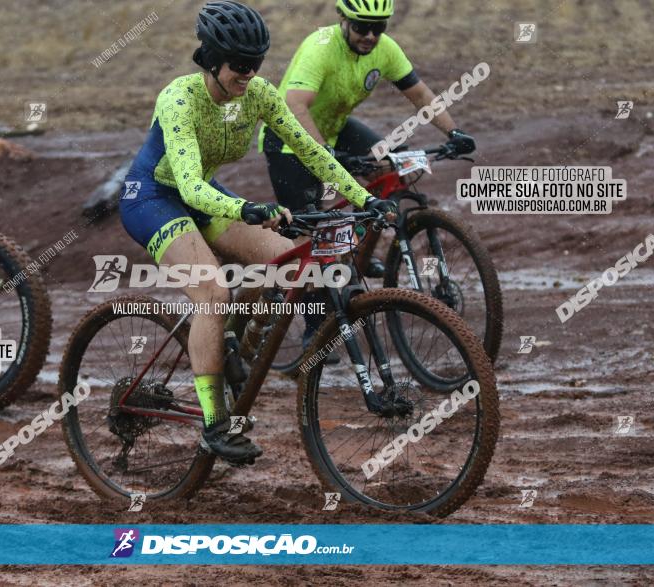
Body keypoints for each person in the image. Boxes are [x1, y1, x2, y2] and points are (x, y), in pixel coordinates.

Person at [119, 1, 394, 463]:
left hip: (207, 194)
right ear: (210, 59)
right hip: (152, 197)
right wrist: (246, 208)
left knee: (287, 260)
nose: (248, 74)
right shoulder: (180, 98)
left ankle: (232, 344)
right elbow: (187, 184)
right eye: (239, 67)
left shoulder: (259, 94)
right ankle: (214, 424)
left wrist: (363, 197)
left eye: (256, 64)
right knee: (212, 291)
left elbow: (311, 151)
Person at [258, 0, 476, 348]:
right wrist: (324, 154)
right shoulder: (320, 48)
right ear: (343, 19)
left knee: (392, 163)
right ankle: (315, 330)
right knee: (314, 233)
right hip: (289, 139)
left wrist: (453, 132)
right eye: (362, 27)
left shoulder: (384, 49)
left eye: (379, 27)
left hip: (334, 128)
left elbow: (418, 92)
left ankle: (357, 255)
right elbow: (295, 105)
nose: (371, 36)